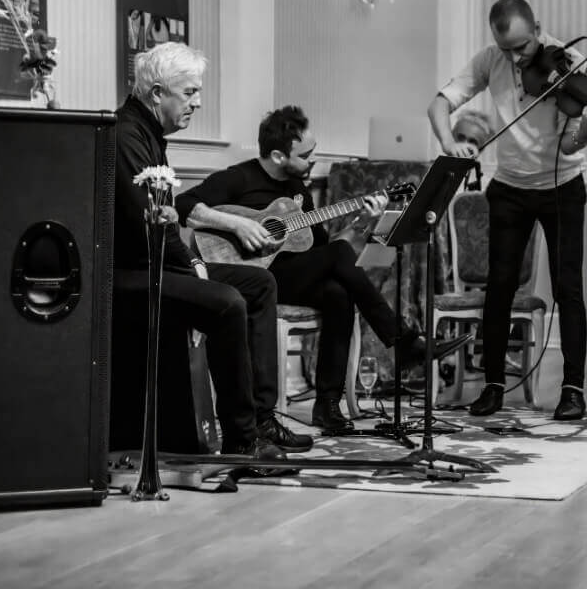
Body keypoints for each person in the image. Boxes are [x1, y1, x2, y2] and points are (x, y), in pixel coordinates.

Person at [175, 105, 469, 433]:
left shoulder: (298, 192)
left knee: (338, 293)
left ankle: (328, 406)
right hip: (252, 277)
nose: (314, 159)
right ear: (276, 156)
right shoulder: (238, 178)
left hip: (292, 274)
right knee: (338, 264)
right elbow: (183, 205)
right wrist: (240, 225)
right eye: (306, 154)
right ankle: (403, 341)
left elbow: (327, 249)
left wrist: (365, 221)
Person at [115, 42, 312, 456]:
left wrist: (189, 263)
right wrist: (193, 266)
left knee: (258, 283)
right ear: (156, 94)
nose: (198, 102)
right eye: (189, 93)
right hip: (131, 273)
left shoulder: (149, 134)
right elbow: (147, 224)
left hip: (158, 264)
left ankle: (261, 418)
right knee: (226, 302)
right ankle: (242, 442)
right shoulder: (127, 136)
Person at [425, 0, 587, 420]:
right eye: (506, 48)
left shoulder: (570, 61)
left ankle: (573, 390)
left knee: (568, 287)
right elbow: (439, 104)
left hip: (560, 185)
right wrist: (449, 143)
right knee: (501, 285)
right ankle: (492, 386)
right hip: (508, 186)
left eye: (522, 48)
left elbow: (567, 143)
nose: (515, 58)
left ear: (538, 29)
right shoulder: (491, 60)